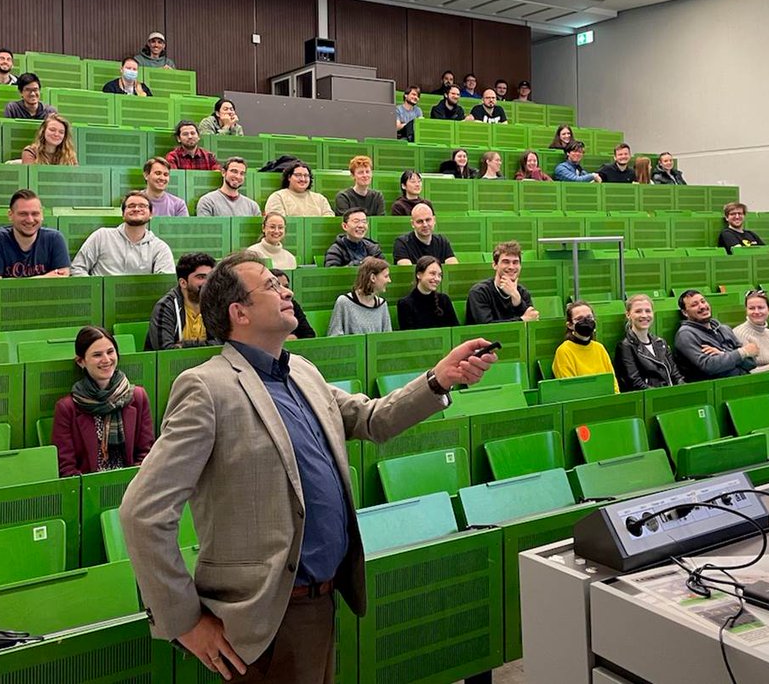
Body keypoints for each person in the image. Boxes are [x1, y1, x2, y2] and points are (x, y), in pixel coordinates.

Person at [119, 251, 493, 682]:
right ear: (239, 312)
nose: (287, 291)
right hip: (265, 616)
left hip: (323, 601)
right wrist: (184, 622)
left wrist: (440, 378)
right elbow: (142, 512)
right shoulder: (206, 388)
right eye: (272, 286)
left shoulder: (302, 371)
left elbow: (371, 419)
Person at [52, 326, 154, 476]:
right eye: (97, 355)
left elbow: (146, 454)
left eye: (110, 352)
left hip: (132, 486)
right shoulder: (67, 408)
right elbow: (66, 467)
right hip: (90, 491)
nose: (106, 360)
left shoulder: (138, 397)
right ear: (81, 362)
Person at [69, 191, 176, 277]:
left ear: (151, 214)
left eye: (142, 206)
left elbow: (164, 282)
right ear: (123, 214)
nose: (136, 209)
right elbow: (78, 268)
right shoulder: (101, 236)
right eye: (131, 206)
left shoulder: (160, 248)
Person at [0, 190, 70, 279]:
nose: (30, 220)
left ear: (42, 215)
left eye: (35, 214)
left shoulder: (55, 239)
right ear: (10, 215)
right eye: (23, 214)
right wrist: (43, 278)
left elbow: (63, 278)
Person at [674, 290, 758, 381]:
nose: (702, 306)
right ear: (685, 313)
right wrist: (742, 353)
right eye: (694, 305)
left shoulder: (724, 329)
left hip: (743, 381)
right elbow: (709, 366)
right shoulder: (686, 334)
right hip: (714, 389)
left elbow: (751, 363)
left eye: (703, 301)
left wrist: (722, 353)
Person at [145, 252, 216, 350]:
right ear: (183, 283)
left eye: (210, 277)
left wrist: (184, 345)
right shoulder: (166, 307)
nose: (207, 282)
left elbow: (224, 344)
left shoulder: (216, 305)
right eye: (201, 277)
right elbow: (165, 351)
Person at [614, 294, 685, 391]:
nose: (644, 315)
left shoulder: (661, 343)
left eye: (648, 311)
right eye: (638, 311)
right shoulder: (625, 346)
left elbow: (675, 375)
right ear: (628, 314)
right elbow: (635, 383)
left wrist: (683, 390)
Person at [465, 241, 539, 325]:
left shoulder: (522, 292)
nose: (511, 267)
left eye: (515, 262)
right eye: (506, 262)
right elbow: (486, 326)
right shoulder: (479, 292)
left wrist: (517, 300)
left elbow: (531, 320)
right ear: (495, 265)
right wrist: (522, 320)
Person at [552, 301, 617, 388]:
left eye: (589, 317)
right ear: (570, 325)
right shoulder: (564, 351)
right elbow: (569, 388)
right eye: (579, 319)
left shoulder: (599, 348)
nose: (586, 321)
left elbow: (613, 382)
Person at [328, 258, 392, 336]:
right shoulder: (344, 302)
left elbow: (386, 338)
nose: (389, 280)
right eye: (386, 276)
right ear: (373, 278)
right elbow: (335, 337)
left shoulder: (382, 305)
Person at [397, 257, 459, 330]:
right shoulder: (405, 304)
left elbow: (455, 328)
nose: (437, 279)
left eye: (439, 275)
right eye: (432, 274)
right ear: (419, 275)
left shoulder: (444, 300)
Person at [393, 204, 457, 266]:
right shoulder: (402, 243)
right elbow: (407, 271)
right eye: (420, 221)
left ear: (434, 220)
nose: (425, 225)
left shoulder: (442, 241)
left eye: (428, 220)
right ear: (412, 224)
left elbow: (453, 268)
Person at [264, 161, 334, 218]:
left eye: (306, 176)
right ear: (289, 177)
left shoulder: (320, 199)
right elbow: (277, 223)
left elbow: (328, 219)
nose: (303, 179)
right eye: (298, 175)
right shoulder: (277, 197)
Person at [195, 157, 261, 217]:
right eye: (234, 171)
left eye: (242, 173)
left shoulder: (253, 206)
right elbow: (205, 229)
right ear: (223, 172)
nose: (238, 176)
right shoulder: (208, 201)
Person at [272, 269, 316, 340]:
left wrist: (294, 337)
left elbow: (309, 334)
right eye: (277, 287)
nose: (286, 292)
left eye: (286, 286)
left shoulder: (292, 304)